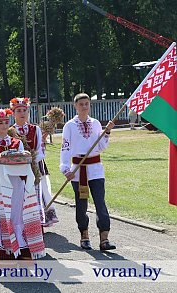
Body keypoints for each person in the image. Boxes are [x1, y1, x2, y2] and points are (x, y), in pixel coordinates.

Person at [0, 108, 46, 260]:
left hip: (17, 185)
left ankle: (23, 250)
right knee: (6, 215)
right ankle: (6, 251)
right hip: (1, 188)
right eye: (0, 123)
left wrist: (14, 164)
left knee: (19, 215)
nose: (4, 126)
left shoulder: (17, 143)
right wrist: (3, 166)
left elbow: (25, 163)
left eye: (6, 123)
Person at [60, 93, 116, 251]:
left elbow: (102, 146)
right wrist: (65, 169)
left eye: (87, 104)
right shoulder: (69, 126)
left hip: (95, 169)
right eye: (81, 104)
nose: (84, 106)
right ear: (75, 106)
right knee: (81, 204)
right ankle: (84, 235)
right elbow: (65, 148)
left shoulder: (96, 123)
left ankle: (104, 238)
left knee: (100, 202)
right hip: (78, 171)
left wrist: (107, 133)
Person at [10, 97, 58, 227]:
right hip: (18, 169)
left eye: (24, 110)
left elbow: (41, 150)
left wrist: (32, 161)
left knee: (41, 190)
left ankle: (39, 220)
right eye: (18, 111)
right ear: (13, 113)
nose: (22, 113)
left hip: (35, 166)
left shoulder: (34, 129)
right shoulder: (11, 131)